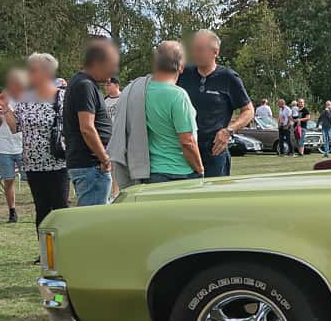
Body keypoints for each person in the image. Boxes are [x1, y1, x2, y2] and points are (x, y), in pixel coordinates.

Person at [110, 40, 203, 187]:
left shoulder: (136, 91)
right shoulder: (178, 95)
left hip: (150, 172)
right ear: (181, 67)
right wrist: (200, 169)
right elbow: (187, 142)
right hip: (179, 173)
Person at [0, 52, 70, 235]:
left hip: (57, 162)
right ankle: (45, 253)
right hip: (32, 164)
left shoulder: (61, 97)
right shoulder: (25, 98)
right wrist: (6, 109)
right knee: (41, 210)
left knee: (60, 208)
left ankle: (64, 250)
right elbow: (16, 128)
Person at [175, 29, 252, 178]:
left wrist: (228, 131)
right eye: (193, 49)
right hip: (185, 152)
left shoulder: (229, 77)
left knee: (213, 199)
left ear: (215, 52)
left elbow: (249, 111)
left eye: (200, 49)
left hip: (215, 153)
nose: (195, 53)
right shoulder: (184, 74)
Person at [64, 38, 119, 206]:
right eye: (111, 65)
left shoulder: (83, 83)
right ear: (96, 62)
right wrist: (104, 159)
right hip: (91, 166)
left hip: (90, 166)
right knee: (94, 224)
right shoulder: (84, 85)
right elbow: (87, 128)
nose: (113, 71)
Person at [0, 68, 27, 223]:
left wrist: (6, 108)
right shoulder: (2, 99)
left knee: (31, 179)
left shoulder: (24, 100)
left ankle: (41, 206)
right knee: (8, 180)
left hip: (21, 145)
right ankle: (12, 211)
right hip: (4, 147)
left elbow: (15, 126)